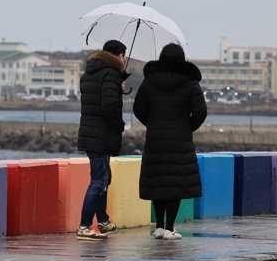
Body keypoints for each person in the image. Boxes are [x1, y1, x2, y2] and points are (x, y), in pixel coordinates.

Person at [133, 43, 207, 240]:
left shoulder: (149, 81)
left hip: (155, 139)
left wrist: (152, 123)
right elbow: (201, 111)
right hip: (180, 141)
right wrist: (187, 126)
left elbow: (138, 108)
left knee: (158, 182)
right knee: (175, 184)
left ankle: (158, 226)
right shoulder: (190, 83)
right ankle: (170, 228)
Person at [76, 39, 128, 240]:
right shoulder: (110, 74)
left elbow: (97, 99)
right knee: (99, 180)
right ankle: (84, 225)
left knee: (105, 177)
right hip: (101, 133)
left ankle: (103, 221)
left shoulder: (90, 73)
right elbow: (110, 107)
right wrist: (120, 126)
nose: (124, 59)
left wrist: (118, 88)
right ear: (119, 55)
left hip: (90, 132)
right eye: (123, 55)